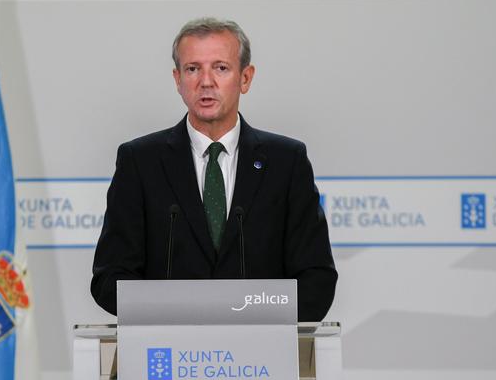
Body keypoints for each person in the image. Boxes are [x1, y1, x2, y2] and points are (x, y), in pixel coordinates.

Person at [91, 17, 337, 322]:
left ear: (245, 78)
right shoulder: (140, 162)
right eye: (193, 69)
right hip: (168, 352)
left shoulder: (286, 161)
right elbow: (109, 277)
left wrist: (263, 319)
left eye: (221, 68)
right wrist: (175, 312)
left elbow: (317, 277)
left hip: (261, 355)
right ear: (177, 80)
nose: (206, 82)